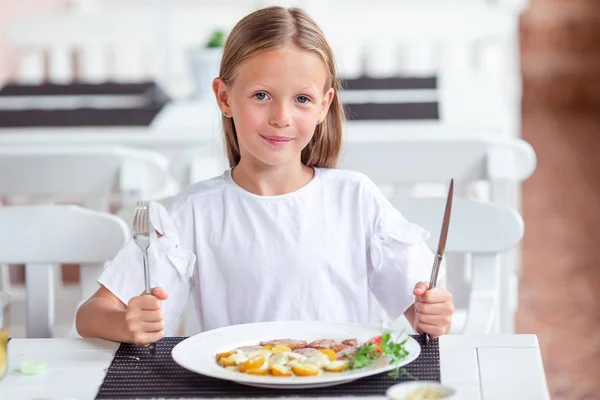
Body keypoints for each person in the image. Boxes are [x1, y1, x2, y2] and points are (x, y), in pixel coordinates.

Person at [75, 6, 454, 347]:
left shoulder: (356, 198)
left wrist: (431, 312)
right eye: (261, 95)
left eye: (301, 99)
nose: (281, 117)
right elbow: (90, 315)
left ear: (324, 106)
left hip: (340, 386)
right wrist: (128, 323)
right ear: (224, 97)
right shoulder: (194, 212)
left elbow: (420, 310)